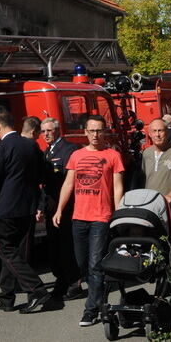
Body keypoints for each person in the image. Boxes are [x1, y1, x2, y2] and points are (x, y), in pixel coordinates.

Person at [53, 115, 125, 327]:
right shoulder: (76, 155)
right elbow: (68, 184)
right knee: (82, 264)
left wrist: (118, 213)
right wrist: (59, 209)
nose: (95, 134)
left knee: (95, 265)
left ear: (105, 132)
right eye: (92, 131)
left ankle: (91, 310)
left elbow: (117, 186)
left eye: (99, 130)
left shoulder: (113, 155)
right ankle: (99, 294)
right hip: (78, 218)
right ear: (85, 132)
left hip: (101, 218)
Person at [0, 111, 49, 314]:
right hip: (26, 208)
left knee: (5, 249)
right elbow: (39, 178)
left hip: (4, 209)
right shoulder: (31, 146)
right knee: (16, 253)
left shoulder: (0, 148)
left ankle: (36, 289)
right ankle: (7, 297)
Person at [39, 118, 82, 301]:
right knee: (54, 247)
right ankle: (61, 281)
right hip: (51, 206)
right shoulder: (46, 152)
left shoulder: (69, 149)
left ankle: (74, 282)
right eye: (43, 131)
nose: (46, 134)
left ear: (57, 131)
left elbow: (68, 180)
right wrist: (42, 205)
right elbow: (45, 183)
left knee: (67, 246)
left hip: (66, 206)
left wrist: (60, 203)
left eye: (49, 130)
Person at [142, 119, 171, 202]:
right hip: (150, 204)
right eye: (154, 131)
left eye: (160, 131)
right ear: (149, 134)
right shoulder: (146, 153)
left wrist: (170, 196)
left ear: (167, 133)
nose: (157, 134)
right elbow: (144, 179)